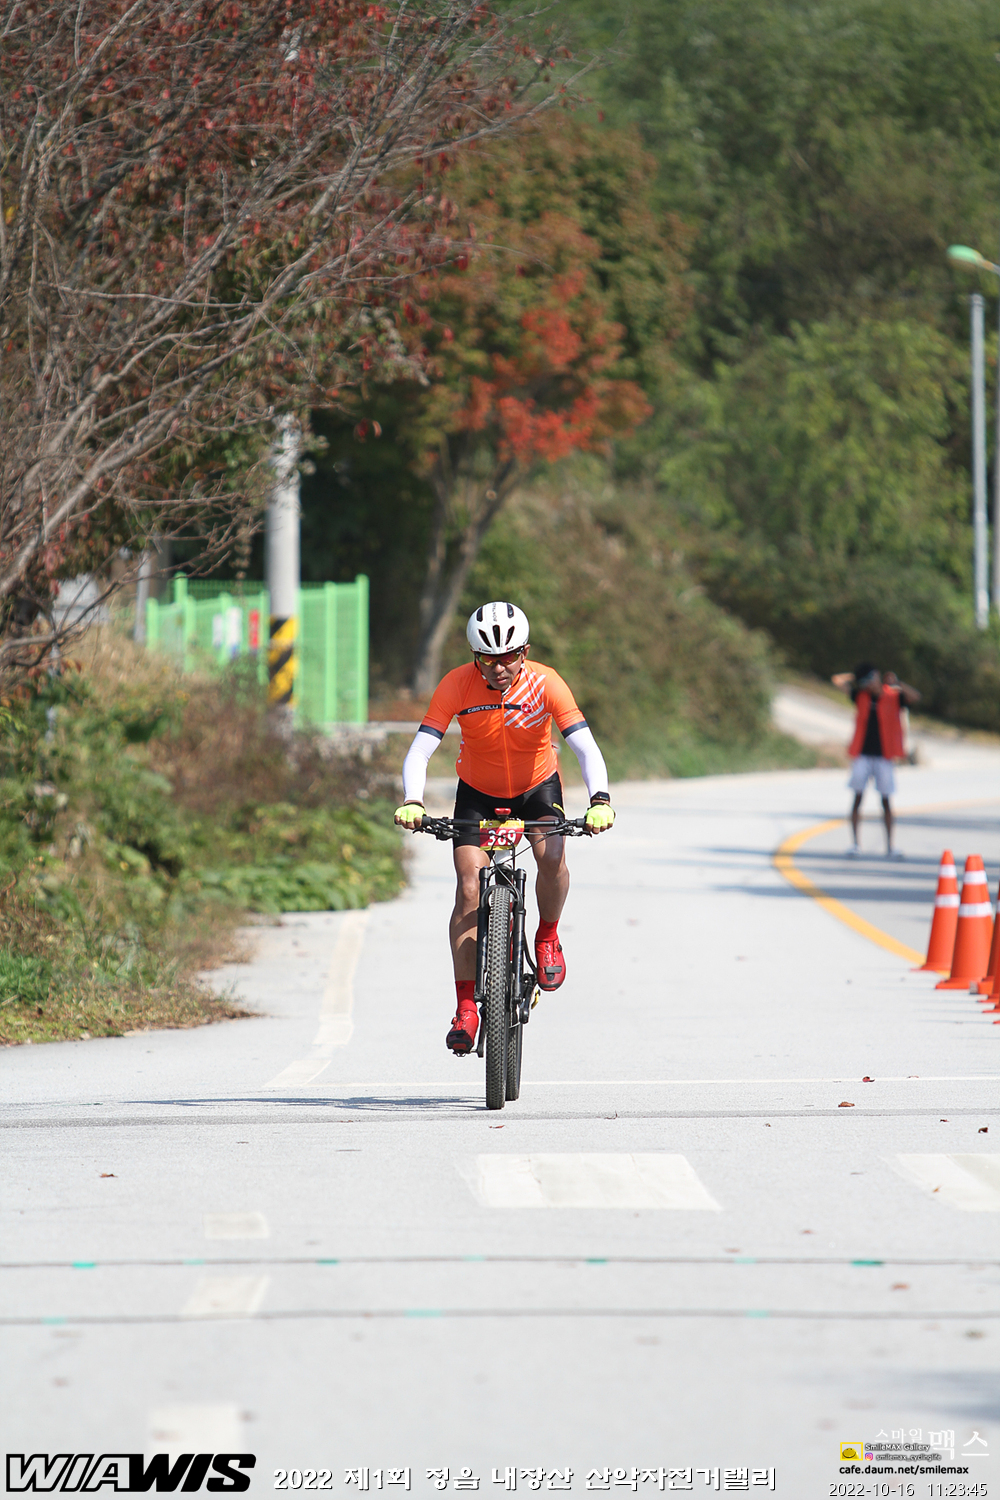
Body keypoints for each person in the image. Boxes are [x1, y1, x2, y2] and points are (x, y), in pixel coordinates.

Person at [395, 601, 616, 1054]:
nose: (498, 667)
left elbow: (585, 747)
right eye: (487, 658)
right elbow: (420, 750)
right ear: (474, 657)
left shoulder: (546, 683)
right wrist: (413, 800)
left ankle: (547, 935)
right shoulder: (456, 684)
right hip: (477, 792)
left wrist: (600, 800)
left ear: (524, 652)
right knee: (467, 887)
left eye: (508, 656)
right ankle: (466, 1008)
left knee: (551, 857)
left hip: (537, 787)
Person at [831, 663, 921, 858]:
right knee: (857, 798)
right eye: (864, 682)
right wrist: (855, 677)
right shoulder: (860, 696)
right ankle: (855, 844)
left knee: (886, 801)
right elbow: (837, 680)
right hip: (862, 755)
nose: (868, 685)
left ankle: (890, 846)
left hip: (884, 756)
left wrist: (898, 683)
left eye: (870, 679)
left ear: (877, 676)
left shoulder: (894, 696)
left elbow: (915, 696)